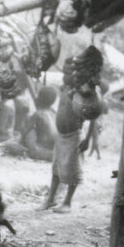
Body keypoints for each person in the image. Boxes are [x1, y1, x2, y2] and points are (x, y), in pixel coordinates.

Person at [40, 83, 93, 213]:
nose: (67, 74)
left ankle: (67, 202)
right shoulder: (66, 88)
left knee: (72, 168)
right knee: (56, 167)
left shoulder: (85, 91)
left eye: (69, 71)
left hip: (74, 135)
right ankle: (51, 199)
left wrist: (88, 139)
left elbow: (94, 117)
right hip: (61, 135)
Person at [20, 84, 58, 161]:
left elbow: (25, 132)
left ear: (39, 98)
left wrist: (23, 119)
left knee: (31, 130)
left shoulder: (38, 114)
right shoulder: (54, 113)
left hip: (44, 150)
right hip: (55, 147)